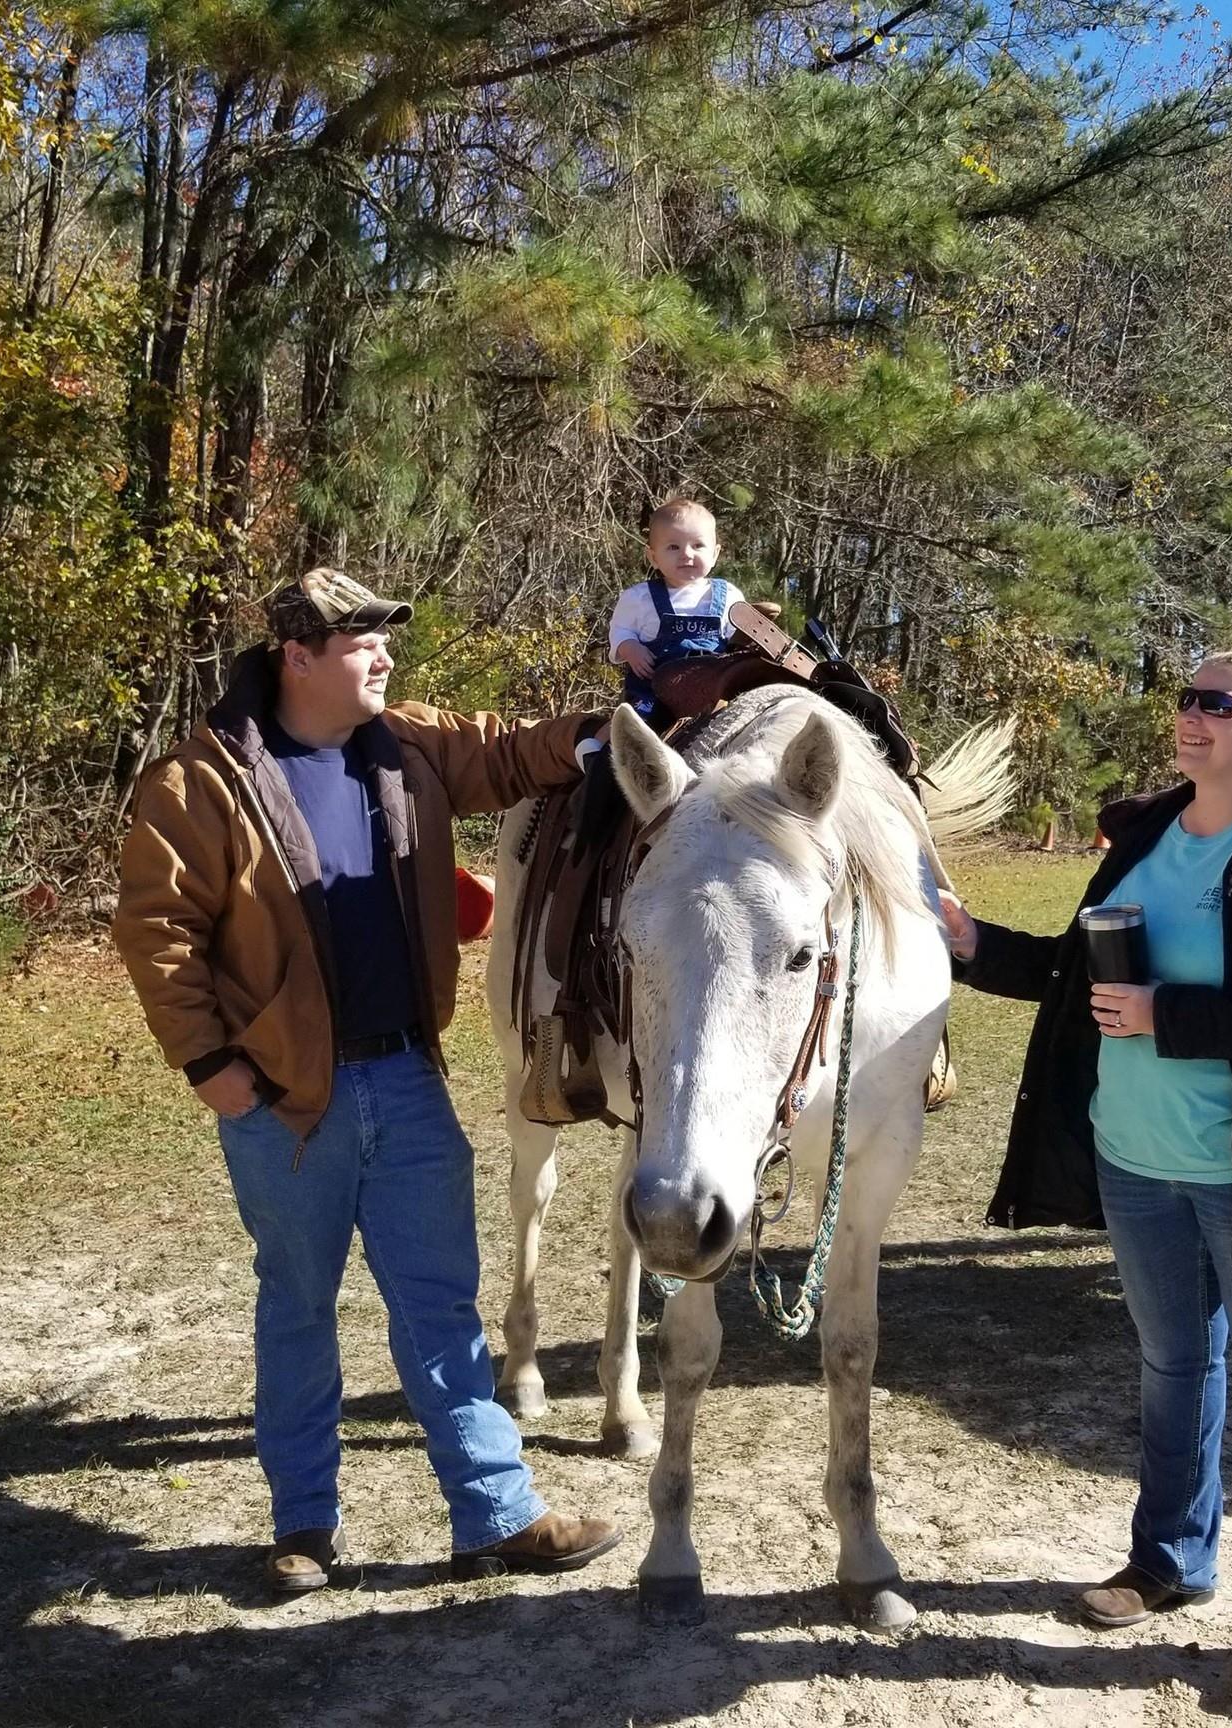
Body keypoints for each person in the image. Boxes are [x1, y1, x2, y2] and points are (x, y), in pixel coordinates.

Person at [114, 567, 620, 1595]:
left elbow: (512, 749)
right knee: (298, 1305)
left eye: (384, 641)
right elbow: (156, 933)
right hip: (286, 1107)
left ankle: (496, 1515)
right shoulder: (198, 781)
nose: (384, 656)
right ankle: (303, 1525)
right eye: (360, 643)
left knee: (441, 1307)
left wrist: (617, 724)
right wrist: (213, 1069)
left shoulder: (413, 746)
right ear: (297, 655)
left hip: (406, 1082)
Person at [940, 650, 1232, 1709]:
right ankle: (1166, 1562)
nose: (1186, 717)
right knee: (1169, 1366)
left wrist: (1167, 1018)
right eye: (1182, 699)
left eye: (1213, 704)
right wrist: (970, 943)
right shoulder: (1147, 830)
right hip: (1133, 1156)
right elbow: (1080, 969)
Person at [609, 497, 745, 718]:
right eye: (673, 547)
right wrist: (629, 647)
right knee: (637, 732)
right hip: (653, 692)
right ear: (653, 557)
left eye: (698, 545)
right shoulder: (639, 598)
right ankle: (600, 751)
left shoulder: (730, 595)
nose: (687, 554)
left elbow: (738, 641)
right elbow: (620, 629)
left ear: (715, 554)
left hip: (714, 692)